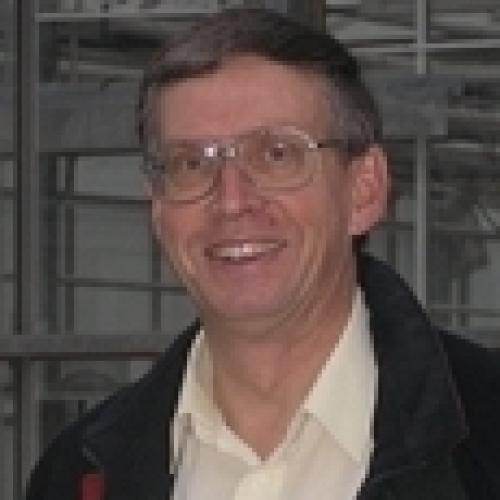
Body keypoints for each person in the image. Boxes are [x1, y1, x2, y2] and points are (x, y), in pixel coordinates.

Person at [27, 8, 500, 500]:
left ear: (363, 190)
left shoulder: (486, 442)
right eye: (192, 163)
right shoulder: (76, 473)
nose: (232, 201)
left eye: (277, 154)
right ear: (159, 210)